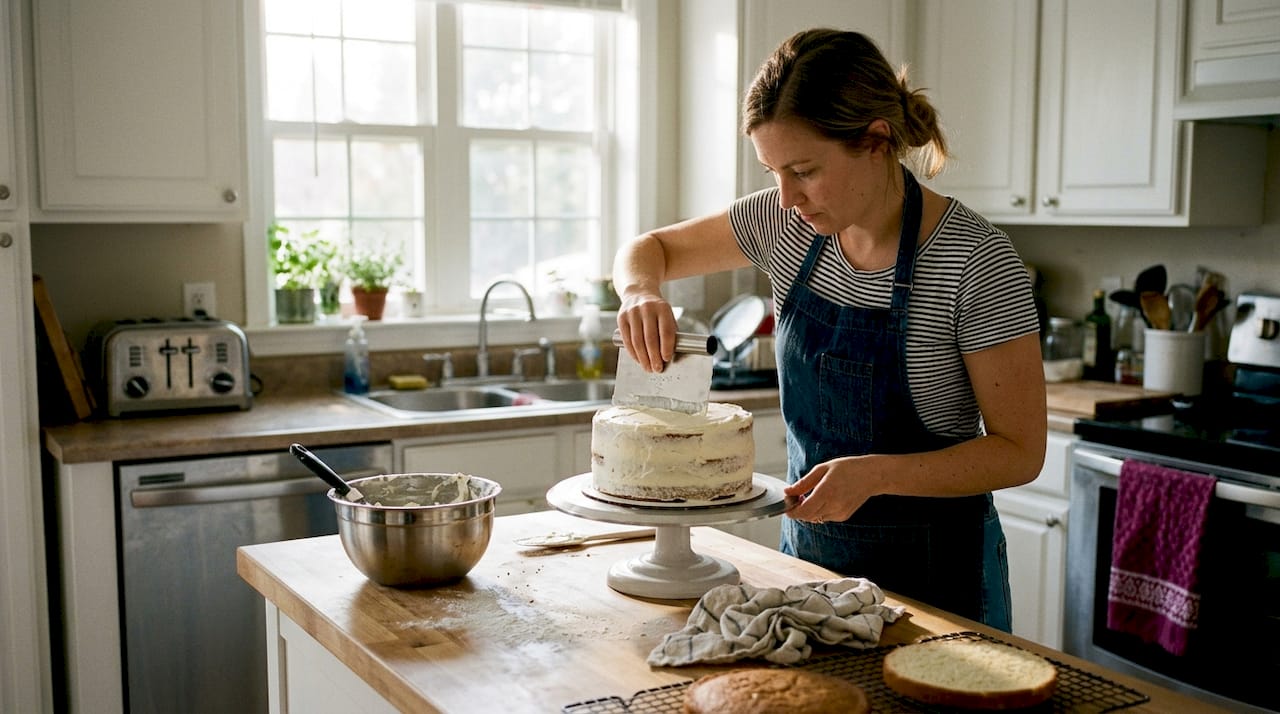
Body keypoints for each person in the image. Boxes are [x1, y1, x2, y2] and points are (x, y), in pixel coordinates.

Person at [612, 28, 1046, 630]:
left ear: (876, 140)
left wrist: (878, 474)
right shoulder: (784, 224)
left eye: (805, 170)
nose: (787, 197)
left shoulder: (975, 262)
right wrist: (639, 291)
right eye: (773, 172)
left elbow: (1021, 453)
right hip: (811, 573)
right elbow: (649, 248)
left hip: (939, 586)